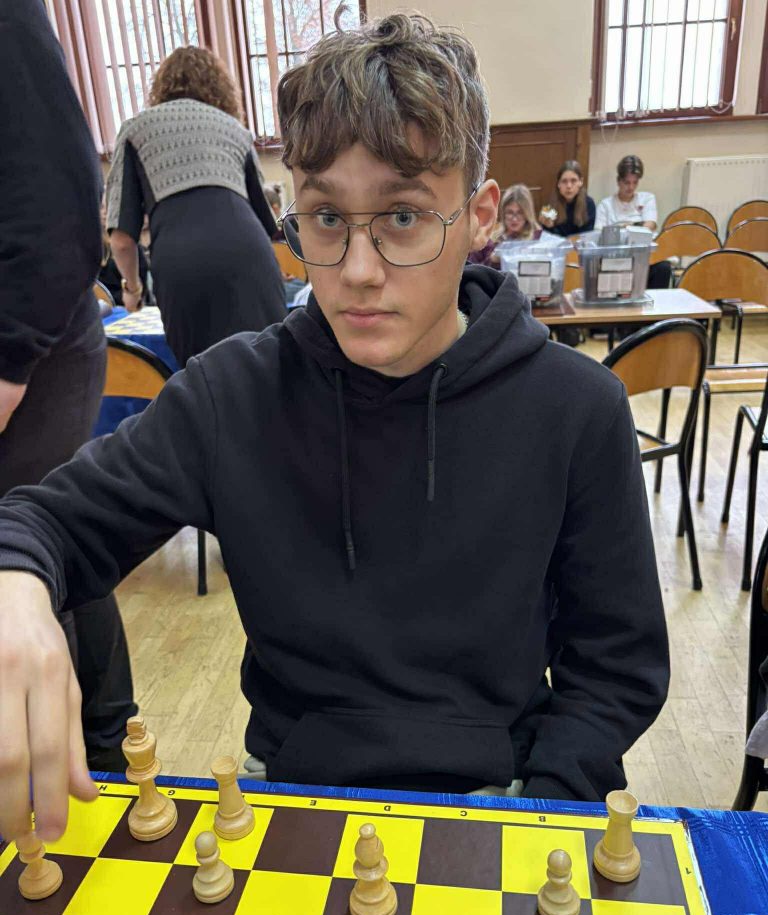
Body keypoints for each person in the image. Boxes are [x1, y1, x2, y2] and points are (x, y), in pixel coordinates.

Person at [0, 12, 669, 845]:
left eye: (403, 218)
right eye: (325, 218)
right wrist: (15, 582)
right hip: (292, 795)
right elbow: (47, 521)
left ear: (480, 216)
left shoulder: (577, 410)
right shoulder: (232, 395)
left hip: (506, 797)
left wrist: (542, 803)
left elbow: (615, 666)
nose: (357, 271)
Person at [0, 0, 136, 777]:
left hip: (32, 340)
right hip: (37, 331)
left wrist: (8, 363)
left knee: (39, 543)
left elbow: (60, 208)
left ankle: (95, 751)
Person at [106, 46, 287, 366]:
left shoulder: (135, 130)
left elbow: (121, 239)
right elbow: (266, 223)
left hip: (182, 267)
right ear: (221, 88)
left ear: (161, 86)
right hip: (249, 256)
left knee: (203, 380)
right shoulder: (235, 130)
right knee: (269, 366)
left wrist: (132, 289)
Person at [595, 154, 671, 288]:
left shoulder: (647, 198)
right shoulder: (606, 205)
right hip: (617, 258)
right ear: (618, 181)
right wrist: (635, 227)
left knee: (664, 267)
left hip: (643, 257)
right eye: (627, 182)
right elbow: (599, 233)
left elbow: (650, 225)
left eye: (635, 182)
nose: (631, 187)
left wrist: (625, 227)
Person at [468, 184, 547, 266]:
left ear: (527, 214)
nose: (514, 219)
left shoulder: (539, 238)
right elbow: (470, 269)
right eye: (510, 212)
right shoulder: (489, 240)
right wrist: (492, 261)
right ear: (503, 213)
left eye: (520, 213)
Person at [539, 160, 595, 237]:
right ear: (558, 184)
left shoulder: (588, 203)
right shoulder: (550, 204)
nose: (569, 186)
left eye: (573, 181)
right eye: (564, 181)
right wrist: (547, 226)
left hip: (579, 243)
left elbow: (586, 235)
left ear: (581, 182)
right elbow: (547, 236)